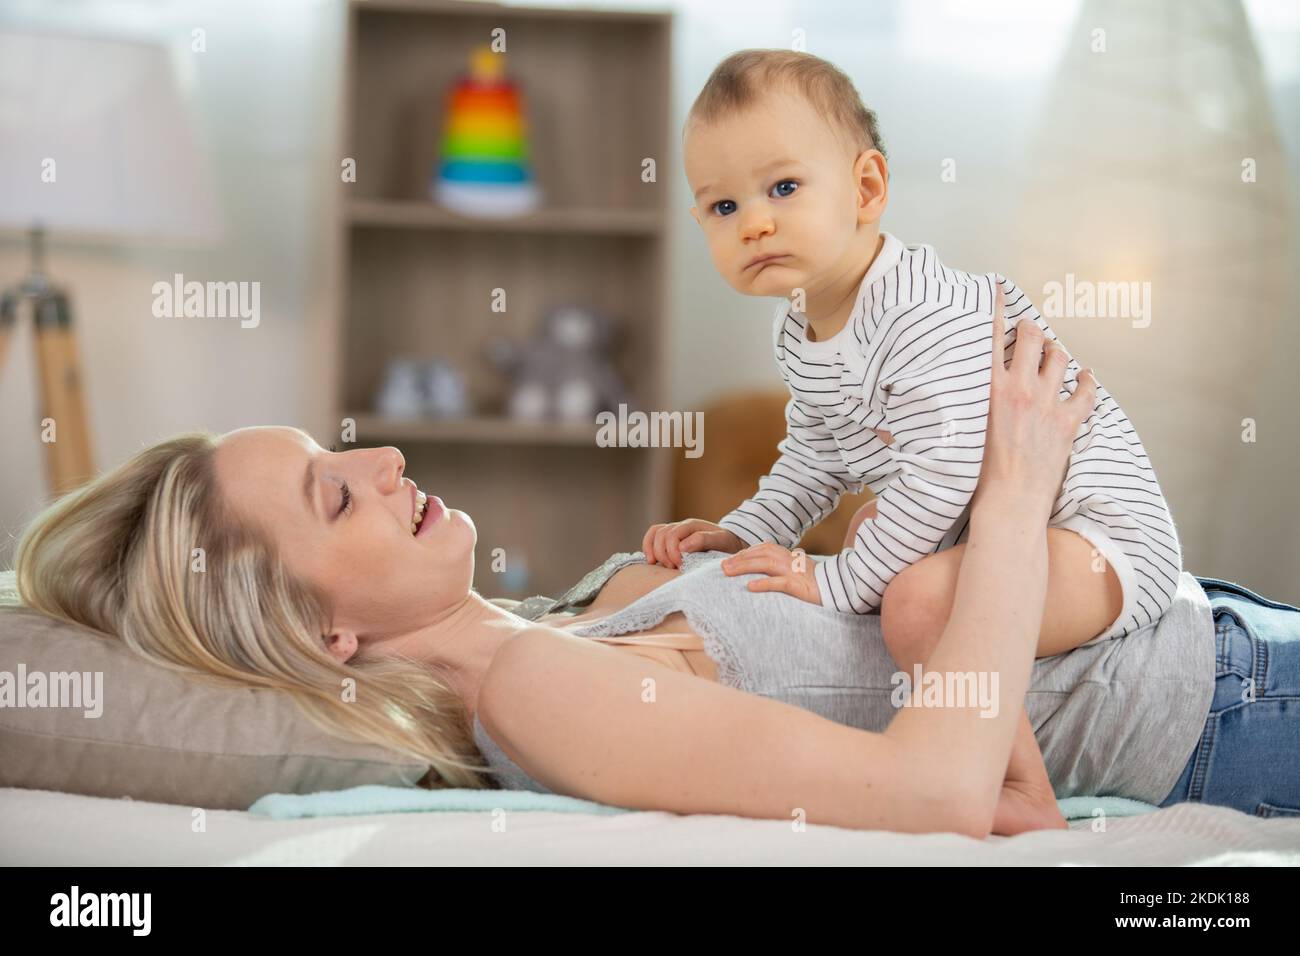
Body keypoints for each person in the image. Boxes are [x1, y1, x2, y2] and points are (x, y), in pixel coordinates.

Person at [642, 49, 1180, 829]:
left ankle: (1021, 789)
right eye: (723, 207)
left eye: (783, 188)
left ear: (866, 189)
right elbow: (814, 460)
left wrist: (836, 581)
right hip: (1000, 524)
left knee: (914, 601)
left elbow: (944, 473)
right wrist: (745, 531)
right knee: (875, 530)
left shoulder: (920, 315)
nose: (754, 222)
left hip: (1103, 538)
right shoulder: (802, 332)